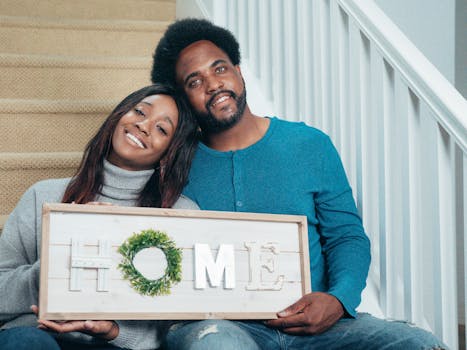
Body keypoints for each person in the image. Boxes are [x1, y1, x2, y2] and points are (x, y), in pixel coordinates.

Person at [150, 18, 448, 349]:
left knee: (417, 343)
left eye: (219, 69)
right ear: (183, 98)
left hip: (318, 325)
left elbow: (346, 237)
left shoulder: (308, 144)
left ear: (238, 70)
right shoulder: (175, 165)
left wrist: (337, 300)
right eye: (195, 81)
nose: (213, 84)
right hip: (222, 325)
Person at [0, 84, 200, 350]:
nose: (143, 125)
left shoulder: (181, 215)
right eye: (140, 111)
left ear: (169, 154)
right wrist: (52, 269)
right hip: (36, 335)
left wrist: (114, 330)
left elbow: (179, 324)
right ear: (118, 116)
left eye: (162, 128)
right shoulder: (43, 194)